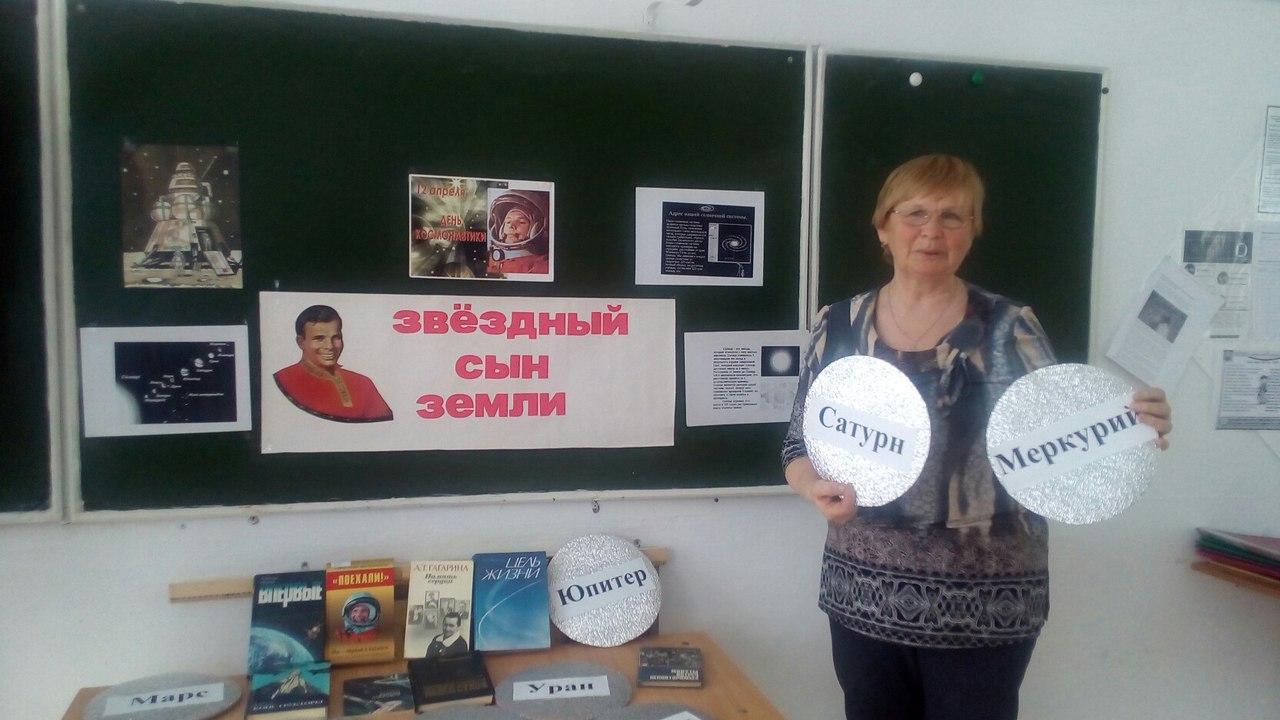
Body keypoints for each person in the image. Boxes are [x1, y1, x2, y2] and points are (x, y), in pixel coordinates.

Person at [781, 154, 1173, 720]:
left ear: (973, 230)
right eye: (914, 213)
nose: (932, 231)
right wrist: (811, 487)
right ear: (883, 227)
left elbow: (1065, 440)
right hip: (862, 596)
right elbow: (798, 444)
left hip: (986, 605)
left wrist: (1131, 428)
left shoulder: (1009, 327)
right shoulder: (837, 326)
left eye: (952, 216)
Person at [274, 305, 393, 423]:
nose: (330, 346)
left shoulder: (362, 384)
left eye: (336, 337)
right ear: (301, 342)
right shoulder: (282, 380)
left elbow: (384, 429)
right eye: (319, 338)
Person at [485, 190, 550, 276]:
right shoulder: (488, 259)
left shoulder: (543, 266)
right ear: (501, 228)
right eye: (508, 222)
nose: (511, 226)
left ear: (535, 228)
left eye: (521, 222)